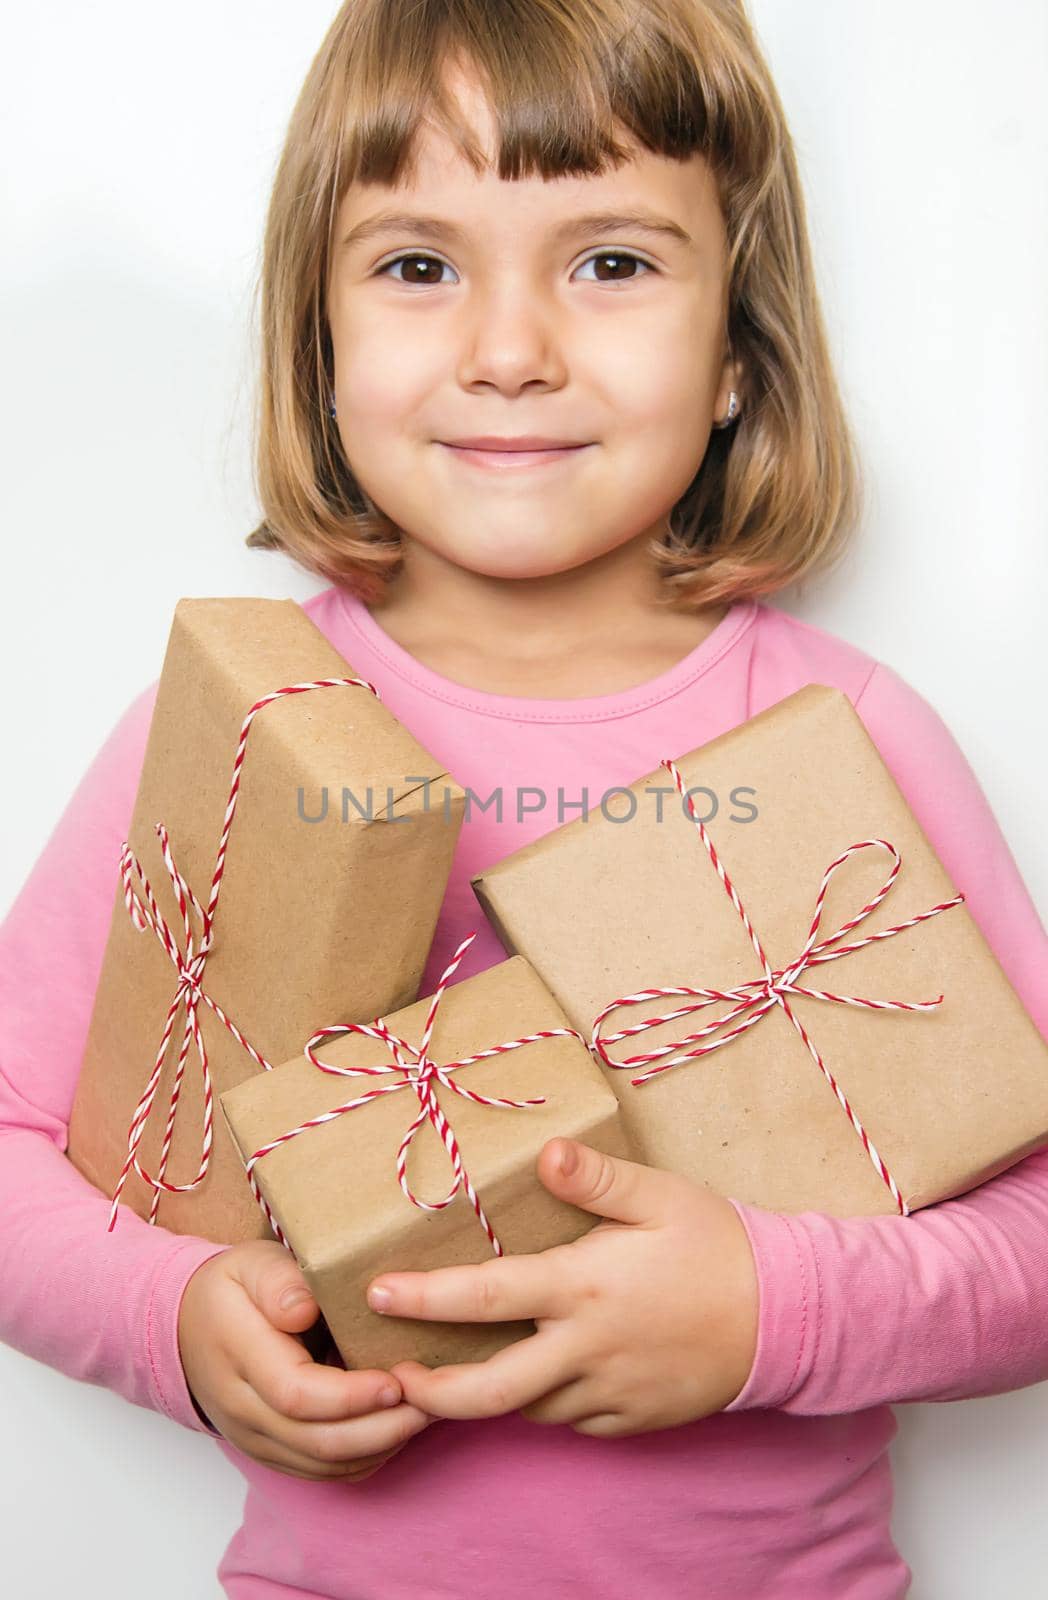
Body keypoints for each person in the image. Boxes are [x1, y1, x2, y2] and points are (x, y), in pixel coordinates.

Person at [2, 2, 1046, 1595]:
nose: (510, 349)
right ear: (320, 342)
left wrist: (774, 1312)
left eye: (611, 262)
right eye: (419, 265)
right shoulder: (235, 732)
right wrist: (176, 1322)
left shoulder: (844, 735)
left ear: (738, 358)